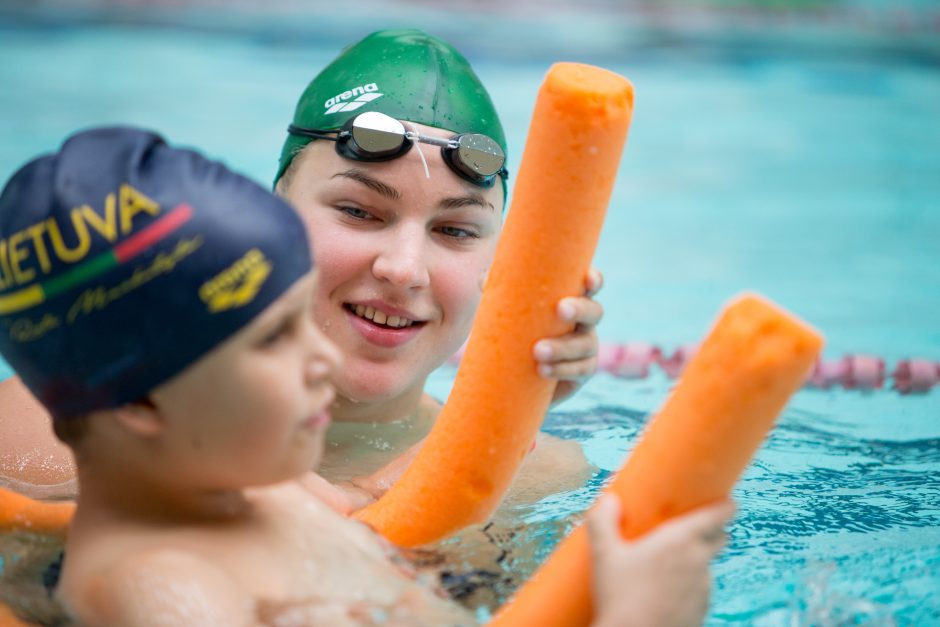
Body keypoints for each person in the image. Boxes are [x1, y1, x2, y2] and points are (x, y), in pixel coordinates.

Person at [0, 126, 732, 627]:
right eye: (275, 339)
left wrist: (510, 397)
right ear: (141, 399)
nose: (320, 355)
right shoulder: (164, 587)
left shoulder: (254, 492)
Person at [1, 29, 601, 507]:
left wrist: (511, 401)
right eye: (359, 211)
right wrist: (490, 428)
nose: (403, 268)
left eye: (454, 231)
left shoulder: (538, 477)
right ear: (270, 213)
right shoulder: (43, 434)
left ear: (501, 266)